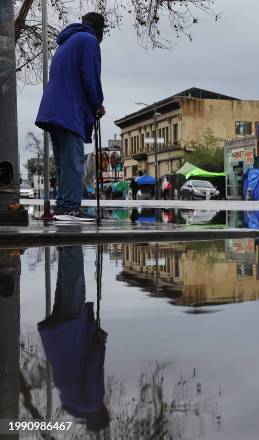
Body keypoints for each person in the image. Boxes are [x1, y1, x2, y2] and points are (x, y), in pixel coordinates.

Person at [35, 12, 106, 219]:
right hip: (69, 108)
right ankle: (71, 207)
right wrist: (97, 104)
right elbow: (90, 76)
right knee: (74, 161)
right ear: (100, 30)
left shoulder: (66, 42)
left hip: (52, 108)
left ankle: (63, 205)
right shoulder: (89, 40)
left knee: (63, 161)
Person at [38, 246, 109, 432]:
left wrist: (99, 342)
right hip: (59, 335)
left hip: (73, 331)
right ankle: (65, 245)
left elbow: (93, 367)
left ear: (103, 412)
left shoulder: (93, 402)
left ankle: (71, 238)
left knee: (74, 279)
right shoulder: (71, 404)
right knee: (64, 282)